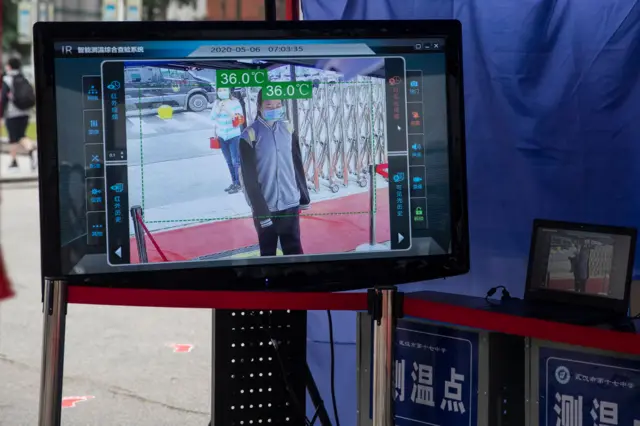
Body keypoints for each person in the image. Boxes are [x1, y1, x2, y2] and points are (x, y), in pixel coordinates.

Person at [239, 90, 310, 256]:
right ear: (259, 106)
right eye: (269, 105)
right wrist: (261, 211)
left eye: (278, 105)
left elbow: (297, 163)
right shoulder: (249, 135)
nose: (274, 108)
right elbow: (249, 179)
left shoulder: (288, 128)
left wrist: (303, 197)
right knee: (268, 252)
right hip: (266, 205)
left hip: (290, 202)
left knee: (294, 250)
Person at [1, 57, 36, 171]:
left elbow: (4, 98)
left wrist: (1, 114)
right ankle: (30, 150)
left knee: (13, 138)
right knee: (21, 135)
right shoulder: (24, 78)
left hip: (12, 113)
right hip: (25, 112)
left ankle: (15, 161)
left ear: (9, 66)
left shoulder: (7, 79)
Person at [210, 87, 245, 194]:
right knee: (228, 161)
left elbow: (240, 118)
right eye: (219, 91)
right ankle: (234, 182)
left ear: (229, 91)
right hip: (221, 136)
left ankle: (239, 183)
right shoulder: (217, 103)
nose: (222, 92)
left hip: (233, 135)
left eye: (224, 90)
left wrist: (228, 110)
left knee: (236, 161)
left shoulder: (235, 102)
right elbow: (212, 117)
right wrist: (218, 109)